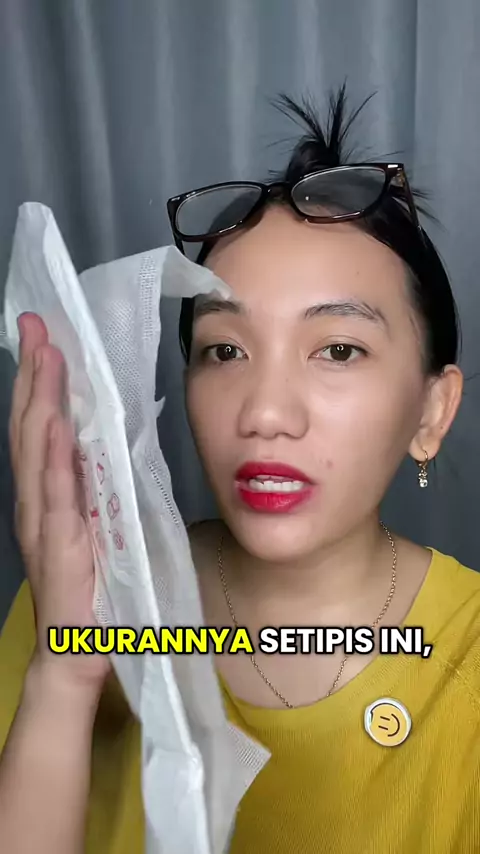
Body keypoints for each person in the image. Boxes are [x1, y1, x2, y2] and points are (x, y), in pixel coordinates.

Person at [0, 87, 479, 854]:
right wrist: (64, 676)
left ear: (432, 411)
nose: (264, 413)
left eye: (338, 350)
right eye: (225, 350)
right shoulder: (77, 594)